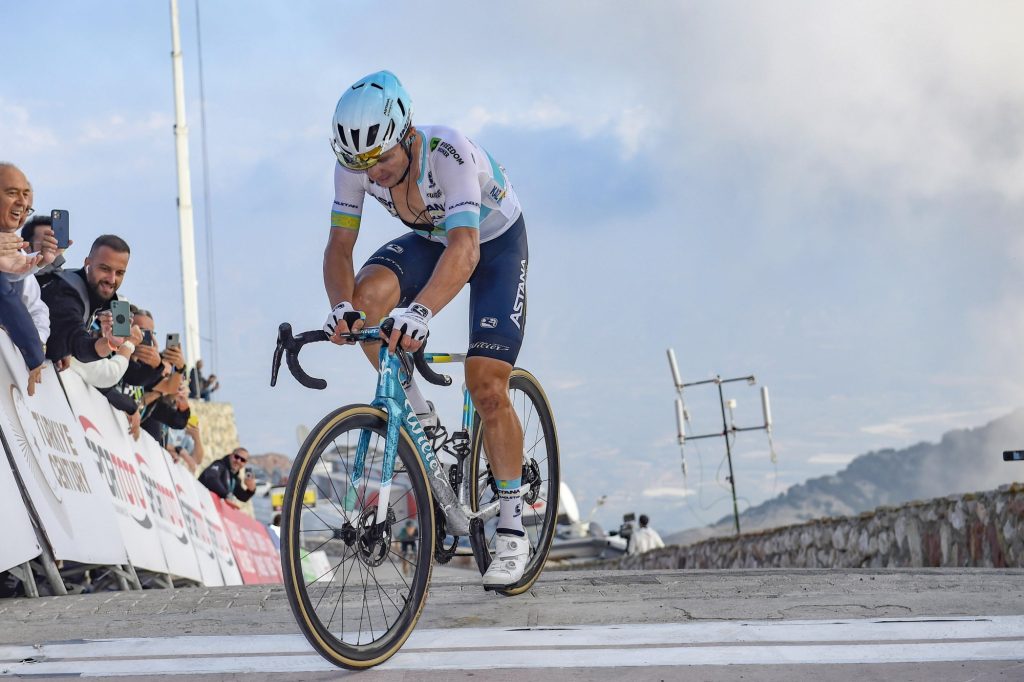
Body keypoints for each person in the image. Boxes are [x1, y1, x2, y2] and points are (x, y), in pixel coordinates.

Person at [322, 70, 530, 588]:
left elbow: (466, 249)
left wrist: (421, 313)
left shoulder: (447, 152)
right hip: (432, 237)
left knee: (486, 383)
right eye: (362, 166)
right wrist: (341, 307)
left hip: (492, 242)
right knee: (368, 303)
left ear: (407, 134)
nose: (375, 174)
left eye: (383, 160)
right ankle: (423, 418)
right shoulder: (355, 165)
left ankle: (510, 524)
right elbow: (339, 247)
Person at [40, 234, 131, 368]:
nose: (112, 279)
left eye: (119, 273)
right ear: (88, 263)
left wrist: (63, 351)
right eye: (105, 269)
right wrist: (109, 343)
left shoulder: (85, 288)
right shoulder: (66, 294)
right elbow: (79, 346)